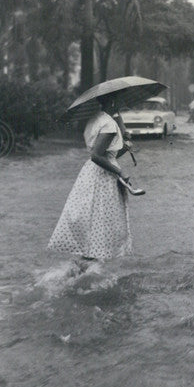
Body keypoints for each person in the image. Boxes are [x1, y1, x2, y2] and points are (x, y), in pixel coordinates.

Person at [48, 94, 136, 263]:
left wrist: (125, 141)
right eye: (119, 101)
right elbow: (97, 155)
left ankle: (84, 266)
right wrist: (120, 172)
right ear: (112, 102)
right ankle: (88, 271)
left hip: (91, 174)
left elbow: (107, 153)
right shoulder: (109, 124)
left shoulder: (96, 119)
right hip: (102, 177)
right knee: (100, 223)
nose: (122, 104)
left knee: (93, 222)